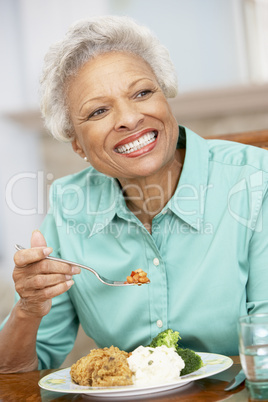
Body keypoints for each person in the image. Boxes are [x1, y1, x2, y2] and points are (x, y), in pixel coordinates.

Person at [0, 15, 268, 373]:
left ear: (166, 98)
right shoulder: (69, 207)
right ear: (78, 145)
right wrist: (27, 309)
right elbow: (15, 374)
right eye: (98, 111)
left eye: (142, 93)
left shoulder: (255, 181)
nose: (128, 118)